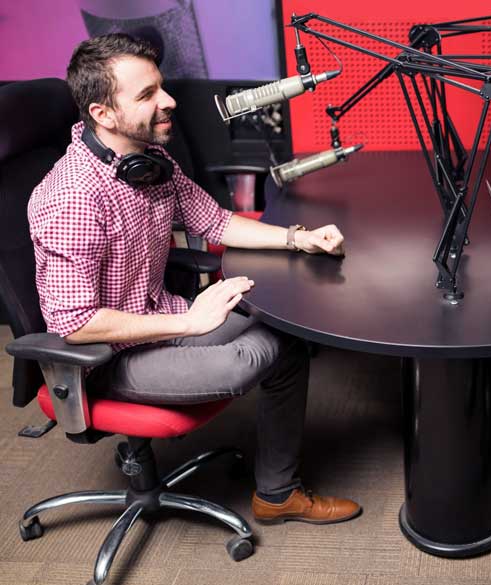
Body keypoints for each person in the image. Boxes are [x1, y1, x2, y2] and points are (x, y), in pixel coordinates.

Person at [29, 33, 361, 525]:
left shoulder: (149, 162)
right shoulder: (70, 197)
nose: (168, 101)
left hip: (161, 320)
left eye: (160, 87)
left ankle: (277, 494)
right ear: (103, 114)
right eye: (146, 96)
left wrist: (298, 238)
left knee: (288, 339)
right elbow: (75, 323)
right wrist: (189, 323)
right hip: (105, 358)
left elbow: (214, 220)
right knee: (253, 354)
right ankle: (277, 490)